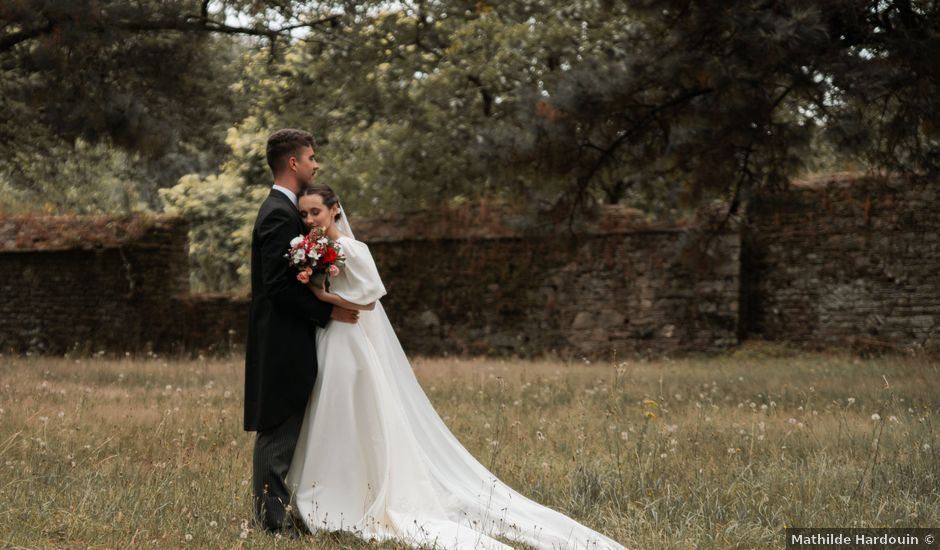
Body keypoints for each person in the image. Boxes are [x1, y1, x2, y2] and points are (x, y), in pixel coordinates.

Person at [286, 183, 627, 550]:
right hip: (328, 336)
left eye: (315, 213)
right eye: (304, 214)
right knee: (330, 412)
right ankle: (323, 489)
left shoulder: (353, 249)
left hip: (350, 338)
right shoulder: (311, 247)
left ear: (335, 209)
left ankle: (355, 493)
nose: (309, 221)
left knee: (353, 411)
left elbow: (368, 300)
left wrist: (323, 295)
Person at [244, 129, 360, 536]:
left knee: (286, 429)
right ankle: (273, 525)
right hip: (281, 342)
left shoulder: (288, 209)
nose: (315, 164)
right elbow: (276, 286)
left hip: (288, 338)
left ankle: (283, 514)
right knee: (276, 430)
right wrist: (328, 313)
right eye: (311, 157)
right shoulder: (278, 212)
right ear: (293, 163)